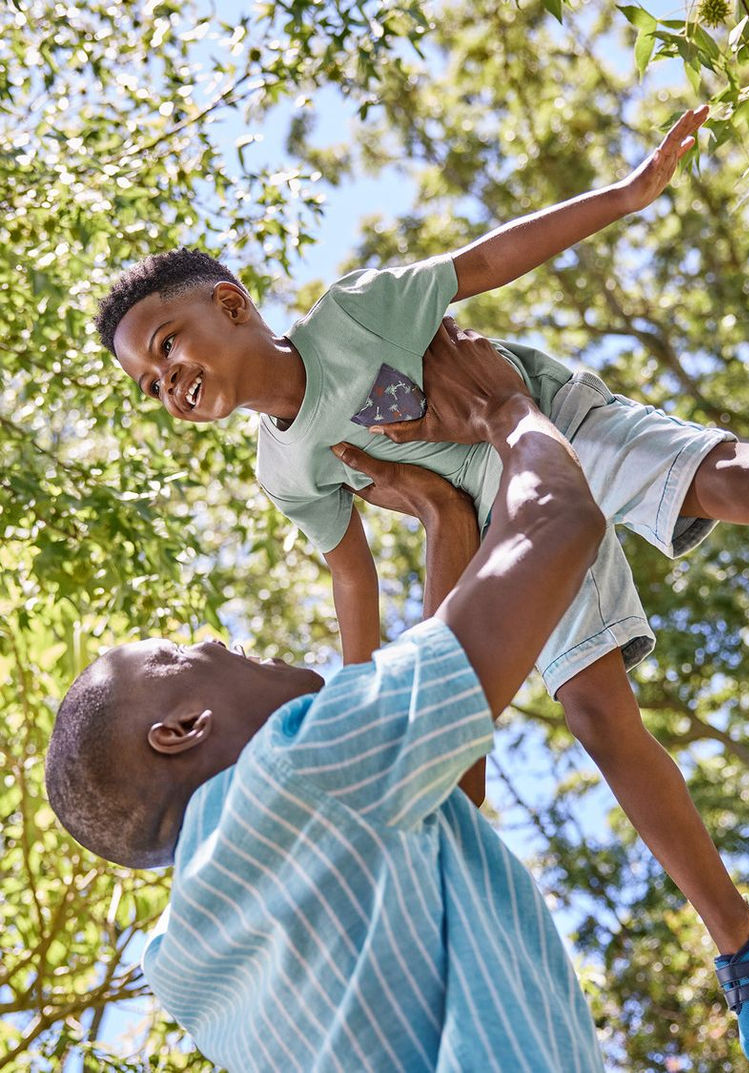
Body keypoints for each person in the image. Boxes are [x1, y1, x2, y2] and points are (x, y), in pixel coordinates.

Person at [93, 105, 749, 1065]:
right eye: (150, 384)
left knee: (738, 483)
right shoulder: (284, 470)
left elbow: (486, 262)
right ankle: (743, 935)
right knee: (594, 716)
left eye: (168, 346)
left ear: (233, 305)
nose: (169, 382)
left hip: (549, 423)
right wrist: (368, 722)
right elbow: (352, 580)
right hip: (507, 525)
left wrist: (625, 196)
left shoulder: (355, 313)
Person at [46, 323, 612, 1072]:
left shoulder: (191, 967)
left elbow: (443, 796)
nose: (216, 640)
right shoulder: (297, 769)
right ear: (182, 727)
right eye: (180, 654)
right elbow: (561, 526)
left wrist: (446, 516)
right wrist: (504, 411)